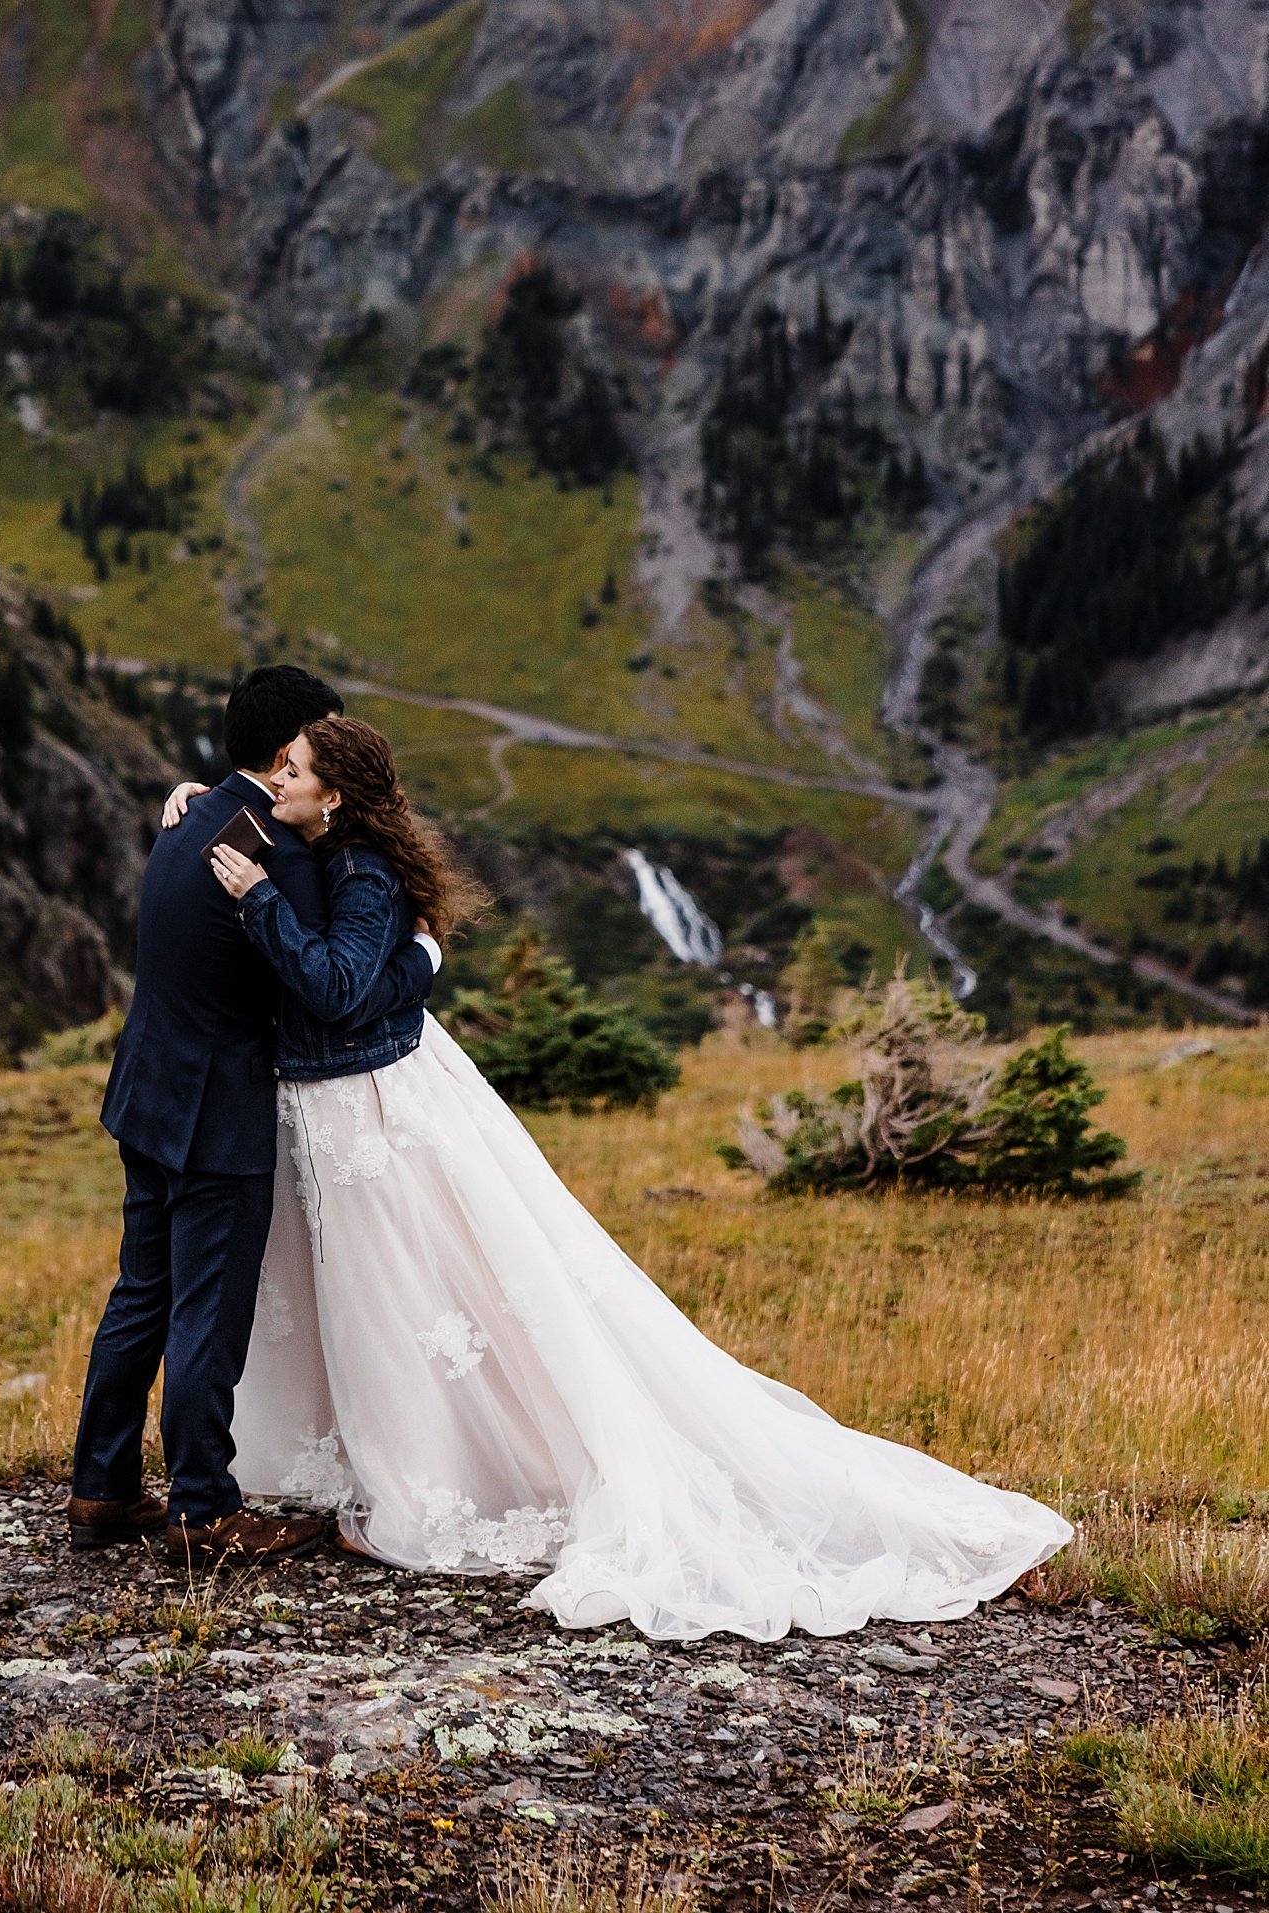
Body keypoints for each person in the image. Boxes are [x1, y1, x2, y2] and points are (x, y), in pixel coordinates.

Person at [171, 715, 1073, 1640]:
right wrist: (203, 803)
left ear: (338, 794)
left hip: (366, 1111)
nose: (276, 776)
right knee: (375, 1300)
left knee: (406, 1294)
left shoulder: (359, 871)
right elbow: (376, 962)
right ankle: (391, 1461)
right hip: (334, 1112)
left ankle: (433, 1477)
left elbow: (337, 988)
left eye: (294, 768)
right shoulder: (313, 838)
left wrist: (261, 905)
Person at [69, 666, 438, 1565]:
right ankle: (203, 1510)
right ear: (287, 755)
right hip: (214, 1110)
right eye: (321, 742)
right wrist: (420, 963)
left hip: (148, 1092)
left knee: (142, 1295)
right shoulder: (284, 852)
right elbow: (331, 991)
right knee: (207, 1310)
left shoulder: (194, 813)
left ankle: (103, 1488)